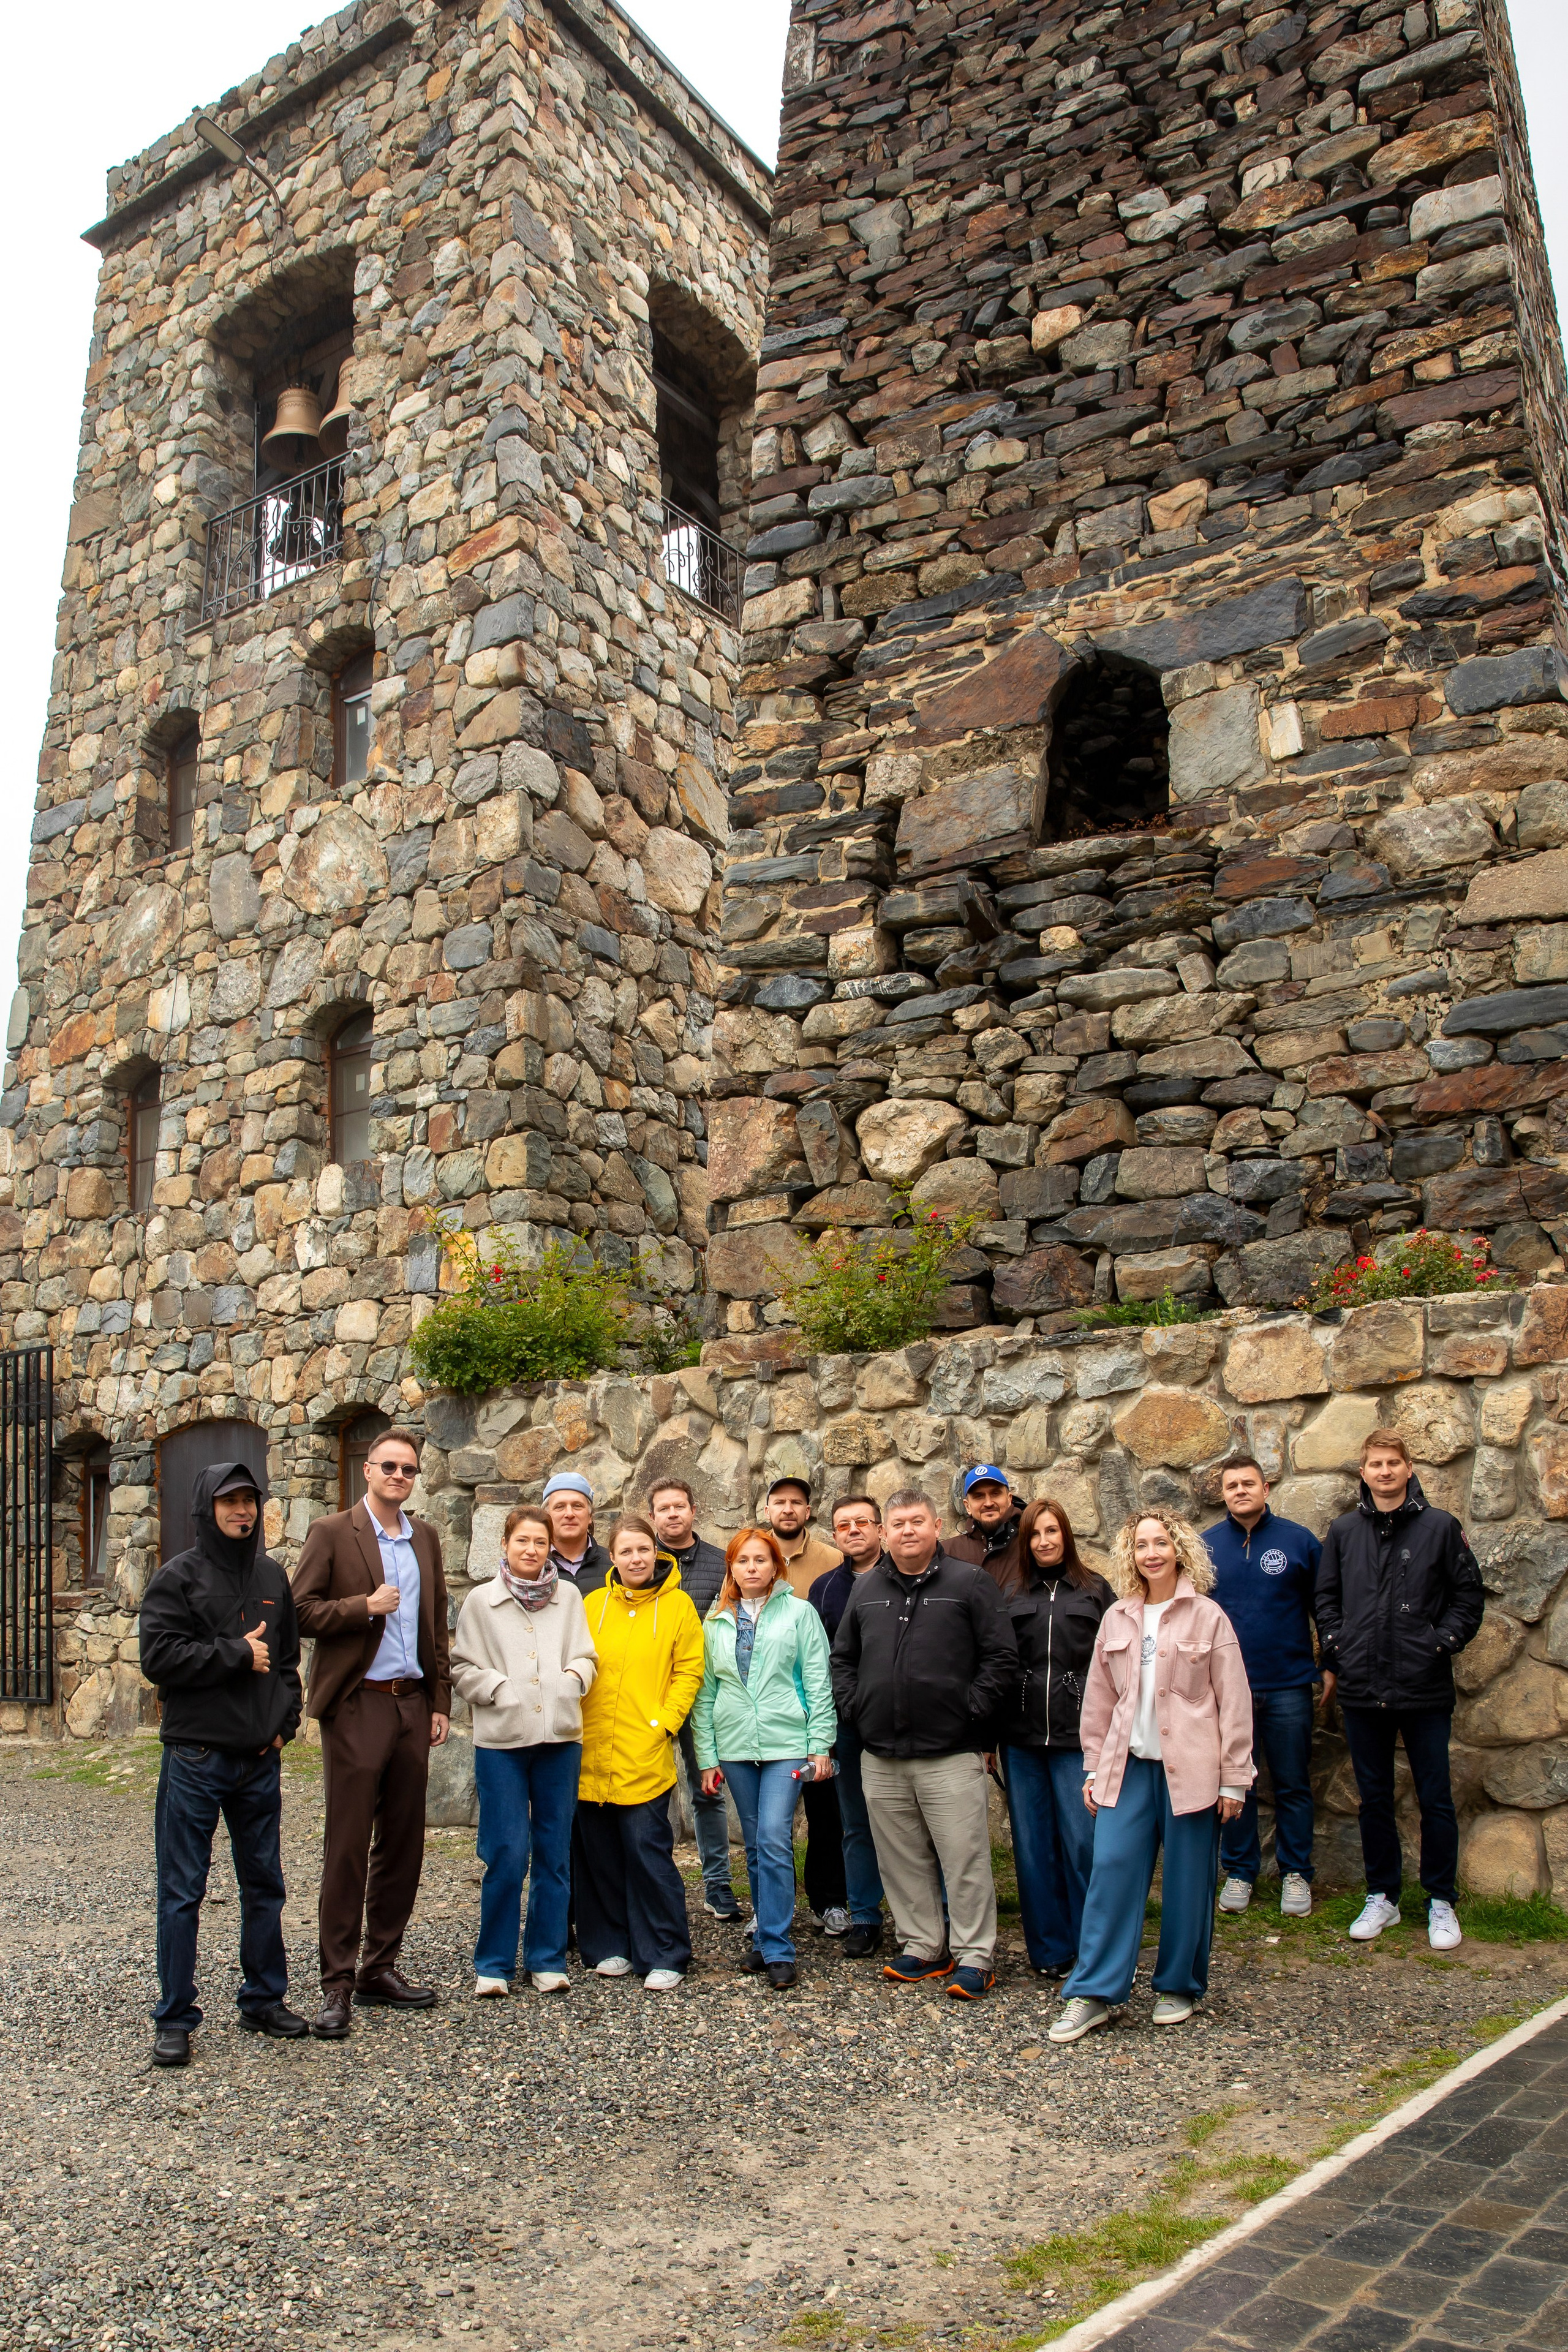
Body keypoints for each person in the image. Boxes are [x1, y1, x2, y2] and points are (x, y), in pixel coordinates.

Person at [1049, 1512, 1254, 2044]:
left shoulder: (1208, 1617)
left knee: (1189, 1880)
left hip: (1193, 1772)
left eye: (1161, 1543)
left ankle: (1179, 1986)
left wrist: (1235, 1779)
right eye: (1141, 1545)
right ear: (1131, 1556)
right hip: (1128, 1768)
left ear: (1179, 1550)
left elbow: (1233, 1700)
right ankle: (1093, 1993)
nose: (1152, 1553)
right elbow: (1099, 1701)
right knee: (1111, 1872)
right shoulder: (1117, 1617)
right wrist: (1093, 1768)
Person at [138, 1461, 307, 2067]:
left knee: (264, 1886)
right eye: (230, 1501)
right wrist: (235, 1654)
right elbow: (158, 1657)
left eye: (249, 1500)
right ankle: (175, 2018)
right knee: (183, 1891)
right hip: (196, 1758)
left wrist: (284, 1726)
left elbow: (286, 1661)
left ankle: (263, 1998)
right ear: (207, 1507)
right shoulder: (176, 1578)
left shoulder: (270, 1575)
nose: (242, 1511)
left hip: (258, 1762)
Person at [291, 1425, 451, 2039]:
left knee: (404, 1843)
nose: (398, 1477)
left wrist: (438, 1700)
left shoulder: (426, 1539)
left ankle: (379, 1966)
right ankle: (336, 1983)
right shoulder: (333, 1533)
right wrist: (363, 1607)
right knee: (348, 1843)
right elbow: (302, 1611)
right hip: (358, 1704)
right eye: (389, 1466)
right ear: (367, 1469)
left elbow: (436, 1624)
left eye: (408, 1470)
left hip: (412, 1705)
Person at [831, 1488, 1017, 2000]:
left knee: (964, 1858)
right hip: (882, 1754)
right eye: (899, 1523)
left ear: (938, 1527)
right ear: (885, 1533)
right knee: (901, 1858)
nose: (908, 1531)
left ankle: (975, 1955)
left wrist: (970, 1712)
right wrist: (856, 1708)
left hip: (951, 1753)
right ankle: (922, 1945)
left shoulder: (970, 1583)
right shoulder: (866, 1591)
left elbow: (1001, 1659)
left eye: (918, 1521)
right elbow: (843, 1658)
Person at [1316, 1429, 1483, 1953]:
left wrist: (1439, 1644)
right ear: (1363, 1473)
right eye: (1375, 1464)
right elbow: (1327, 1598)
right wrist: (1339, 1644)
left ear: (1409, 1469)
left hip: (1424, 1686)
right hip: (1364, 1688)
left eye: (1393, 1463)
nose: (1384, 1471)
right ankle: (1383, 1896)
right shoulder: (1343, 1532)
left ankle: (1441, 1900)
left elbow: (1468, 1596)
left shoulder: (1440, 1527)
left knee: (1435, 1798)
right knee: (1374, 1799)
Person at [451, 1504, 598, 1998]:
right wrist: (497, 1688)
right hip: (503, 1742)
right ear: (506, 1545)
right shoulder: (480, 1602)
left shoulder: (570, 1596)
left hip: (560, 1739)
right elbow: (462, 1667)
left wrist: (573, 1679)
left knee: (555, 1854)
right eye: (523, 1542)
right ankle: (493, 1963)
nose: (532, 1551)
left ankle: (546, 1958)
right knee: (508, 1852)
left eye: (540, 1543)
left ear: (549, 1547)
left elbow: (586, 1656)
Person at [692, 1528, 837, 1990]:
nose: (752, 1568)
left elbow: (818, 1680)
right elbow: (705, 1696)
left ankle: (776, 1945)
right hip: (734, 1746)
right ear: (731, 1568)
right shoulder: (715, 1623)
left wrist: (821, 1744)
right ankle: (762, 1934)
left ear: (776, 1566)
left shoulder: (800, 1614)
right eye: (743, 1561)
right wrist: (708, 1757)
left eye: (761, 1560)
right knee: (754, 1842)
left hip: (786, 1744)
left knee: (774, 1835)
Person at [575, 1515, 705, 1989]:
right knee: (600, 1857)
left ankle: (665, 1951)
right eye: (626, 1551)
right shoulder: (592, 1605)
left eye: (643, 1550)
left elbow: (689, 1671)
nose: (635, 1559)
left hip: (643, 1750)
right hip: (591, 1752)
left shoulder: (679, 1606)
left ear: (657, 1554)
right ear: (613, 1556)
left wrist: (665, 1723)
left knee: (648, 1854)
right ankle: (610, 1945)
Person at [1204, 1457, 1330, 1920]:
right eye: (1232, 1485)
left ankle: (1296, 1873)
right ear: (1223, 1493)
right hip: (1227, 1691)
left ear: (1266, 1487)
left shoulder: (1299, 1542)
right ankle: (1240, 1871)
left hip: (1288, 1685)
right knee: (1237, 1783)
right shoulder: (1207, 1547)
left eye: (1248, 1483)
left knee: (1294, 1783)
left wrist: (1329, 1664)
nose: (1240, 1490)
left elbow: (1325, 1608)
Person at [993, 1498, 1114, 1980]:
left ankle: (1094, 1949)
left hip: (1078, 1737)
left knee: (1083, 1845)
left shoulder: (1095, 1591)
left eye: (1052, 1532)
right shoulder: (1010, 1594)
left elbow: (1114, 1666)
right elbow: (996, 1663)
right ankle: (1049, 1951)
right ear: (1025, 1542)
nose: (1045, 1542)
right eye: (1035, 1534)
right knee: (1033, 1847)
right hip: (1021, 1740)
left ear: (1066, 1535)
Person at [647, 1476, 741, 1924]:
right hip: (649, 1696)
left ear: (693, 1510)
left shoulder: (723, 1564)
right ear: (652, 1517)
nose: (672, 1514)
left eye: (679, 1506)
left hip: (703, 1696)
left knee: (708, 1792)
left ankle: (718, 1885)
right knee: (651, 1793)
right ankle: (651, 1886)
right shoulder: (640, 1561)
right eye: (663, 1509)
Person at [807, 1496, 889, 1956]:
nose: (853, 1530)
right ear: (834, 1535)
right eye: (843, 1525)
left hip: (901, 1721)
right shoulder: (824, 1589)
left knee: (914, 1824)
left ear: (879, 1529)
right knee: (853, 1821)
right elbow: (820, 1662)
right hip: (847, 1722)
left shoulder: (904, 1577)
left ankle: (934, 1915)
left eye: (862, 1522)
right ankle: (865, 1915)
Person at [946, 1464, 1026, 1596]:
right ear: (967, 1506)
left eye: (995, 1494)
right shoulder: (948, 1552)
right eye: (979, 1496)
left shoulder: (1030, 1544)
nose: (988, 1503)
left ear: (1009, 1499)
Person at [766, 1476, 842, 1601]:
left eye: (796, 1503)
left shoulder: (834, 1560)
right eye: (779, 1503)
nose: (788, 1510)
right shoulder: (748, 1559)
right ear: (767, 1512)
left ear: (807, 1512)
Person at [543, 1471, 611, 1594]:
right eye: (560, 1507)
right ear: (547, 1516)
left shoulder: (614, 1565)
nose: (569, 1514)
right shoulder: (536, 1566)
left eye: (577, 1506)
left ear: (590, 1516)